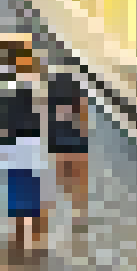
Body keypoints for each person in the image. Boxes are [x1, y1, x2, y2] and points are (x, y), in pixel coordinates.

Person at [0, 34, 49, 248]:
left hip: (23, 140)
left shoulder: (21, 81)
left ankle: (27, 237)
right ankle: (28, 237)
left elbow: (4, 114)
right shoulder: (16, 81)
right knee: (24, 189)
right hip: (23, 140)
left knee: (22, 189)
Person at [46, 64, 91, 226]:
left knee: (64, 176)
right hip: (73, 140)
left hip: (59, 140)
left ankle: (75, 211)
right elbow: (82, 115)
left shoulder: (49, 88)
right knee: (75, 178)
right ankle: (79, 213)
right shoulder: (75, 91)